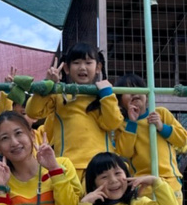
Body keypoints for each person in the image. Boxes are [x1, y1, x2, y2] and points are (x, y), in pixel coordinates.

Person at [25, 42, 123, 179]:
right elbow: (33, 111)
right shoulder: (59, 94)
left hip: (100, 167)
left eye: (88, 63)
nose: (82, 67)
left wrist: (107, 95)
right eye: (76, 63)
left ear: (98, 67)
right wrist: (48, 85)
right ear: (66, 68)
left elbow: (112, 123)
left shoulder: (103, 97)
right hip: (67, 166)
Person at [114, 73, 187, 205]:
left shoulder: (161, 113)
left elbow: (183, 139)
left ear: (147, 95)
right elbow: (125, 152)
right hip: (142, 182)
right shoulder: (122, 124)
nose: (134, 93)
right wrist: (132, 123)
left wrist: (161, 127)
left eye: (138, 89)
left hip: (168, 178)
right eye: (128, 91)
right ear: (120, 102)